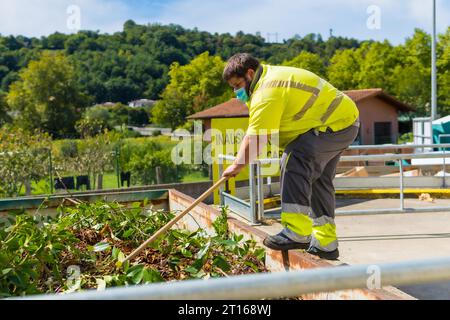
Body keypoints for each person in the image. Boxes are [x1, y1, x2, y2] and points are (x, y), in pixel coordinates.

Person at [221, 53, 360, 260]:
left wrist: (237, 165)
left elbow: (256, 137)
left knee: (295, 159)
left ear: (250, 73)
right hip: (343, 123)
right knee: (319, 180)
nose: (236, 91)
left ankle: (296, 232)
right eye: (233, 87)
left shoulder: (266, 92)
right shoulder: (267, 80)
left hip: (334, 125)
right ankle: (326, 243)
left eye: (238, 85)